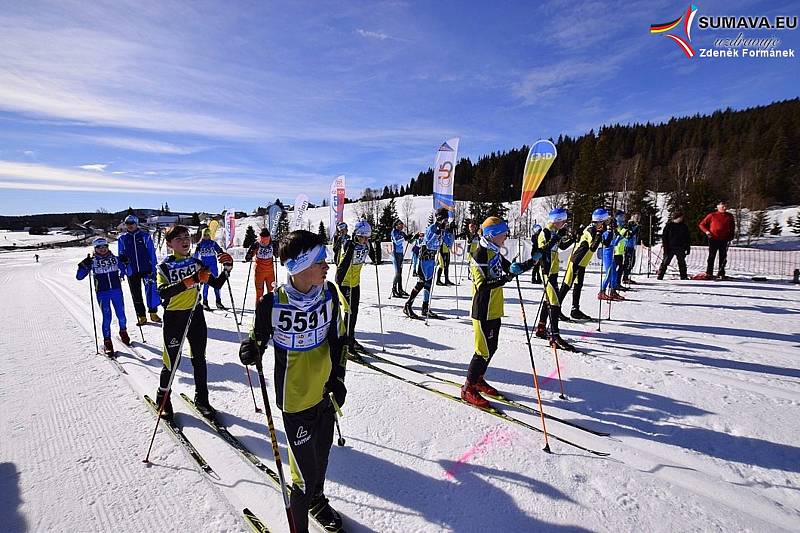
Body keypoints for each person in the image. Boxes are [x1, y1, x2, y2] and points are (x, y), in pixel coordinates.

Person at [239, 230, 347, 533]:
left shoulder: (329, 294)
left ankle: (318, 501)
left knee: (322, 459)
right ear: (299, 266)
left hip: (325, 395)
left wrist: (338, 378)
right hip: (295, 399)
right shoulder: (272, 303)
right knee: (303, 477)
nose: (327, 265)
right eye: (320, 260)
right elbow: (256, 340)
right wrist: (250, 350)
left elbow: (338, 341)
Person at [155, 225, 233, 420]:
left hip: (195, 314)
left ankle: (202, 400)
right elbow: (163, 292)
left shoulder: (197, 263)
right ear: (169, 243)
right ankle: (163, 398)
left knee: (199, 358)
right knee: (172, 362)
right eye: (179, 238)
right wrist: (190, 281)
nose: (184, 241)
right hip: (174, 317)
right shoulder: (164, 267)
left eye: (186, 237)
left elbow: (216, 283)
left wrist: (227, 269)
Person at [461, 217, 533, 408]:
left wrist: (532, 261)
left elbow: (511, 268)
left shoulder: (495, 252)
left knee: (492, 348)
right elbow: (482, 285)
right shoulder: (479, 255)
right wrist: (506, 278)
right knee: (482, 351)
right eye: (503, 233)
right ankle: (468, 388)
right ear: (492, 235)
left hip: (495, 309)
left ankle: (478, 379)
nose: (506, 236)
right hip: (482, 310)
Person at [76, 237, 130, 355]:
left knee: (121, 314)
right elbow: (79, 277)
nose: (102, 249)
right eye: (99, 247)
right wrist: (83, 265)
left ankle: (123, 331)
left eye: (104, 246)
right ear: (95, 249)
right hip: (102, 292)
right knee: (107, 317)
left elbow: (128, 271)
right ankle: (107, 340)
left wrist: (126, 263)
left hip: (116, 290)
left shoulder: (116, 259)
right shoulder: (92, 261)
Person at [533, 208, 576, 351]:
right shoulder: (545, 232)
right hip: (547, 271)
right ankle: (555, 335)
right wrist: (557, 237)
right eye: (563, 221)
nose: (565, 223)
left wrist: (572, 239)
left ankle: (541, 327)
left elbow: (561, 246)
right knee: (555, 303)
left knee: (549, 300)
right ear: (558, 220)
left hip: (554, 271)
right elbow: (543, 250)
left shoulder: (554, 232)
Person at [558, 208, 610, 320]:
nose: (607, 223)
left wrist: (609, 232)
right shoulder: (591, 229)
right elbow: (593, 246)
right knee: (566, 285)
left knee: (578, 285)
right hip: (575, 262)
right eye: (605, 221)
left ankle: (575, 310)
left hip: (582, 264)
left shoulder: (596, 229)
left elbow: (606, 243)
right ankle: (556, 309)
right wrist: (600, 233)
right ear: (600, 221)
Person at [403, 208, 453, 319]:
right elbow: (429, 244)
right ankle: (408, 305)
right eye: (445, 219)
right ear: (439, 218)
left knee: (428, 284)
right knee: (421, 283)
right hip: (424, 258)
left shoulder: (443, 230)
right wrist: (437, 232)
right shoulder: (432, 228)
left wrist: (450, 233)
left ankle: (425, 308)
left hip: (432, 259)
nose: (446, 222)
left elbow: (449, 245)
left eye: (447, 220)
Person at [336, 220, 373, 353]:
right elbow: (342, 265)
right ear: (357, 235)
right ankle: (346, 342)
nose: (365, 240)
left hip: (355, 283)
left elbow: (376, 259)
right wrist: (339, 282)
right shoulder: (349, 244)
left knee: (354, 312)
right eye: (363, 237)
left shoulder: (366, 245)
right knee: (349, 312)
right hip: (344, 283)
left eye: (367, 237)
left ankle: (350, 337)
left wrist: (373, 245)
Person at [117, 215, 161, 326]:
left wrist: (153, 267)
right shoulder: (122, 238)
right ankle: (141, 316)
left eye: (132, 223)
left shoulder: (145, 236)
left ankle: (153, 313)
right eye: (128, 224)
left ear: (136, 224)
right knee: (136, 294)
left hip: (146, 269)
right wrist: (123, 267)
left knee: (150, 291)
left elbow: (152, 253)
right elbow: (121, 254)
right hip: (132, 270)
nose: (130, 226)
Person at [698, 200, 735, 279]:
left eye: (725, 206)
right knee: (712, 256)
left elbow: (732, 227)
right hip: (713, 238)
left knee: (723, 256)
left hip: (724, 239)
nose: (724, 208)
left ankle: (721, 272)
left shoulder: (729, 216)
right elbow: (702, 224)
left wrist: (731, 235)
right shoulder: (712, 215)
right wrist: (707, 232)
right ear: (718, 207)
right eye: (722, 206)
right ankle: (709, 272)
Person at [194, 228, 226, 311]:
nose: (206, 237)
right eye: (204, 235)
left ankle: (218, 301)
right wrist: (196, 263)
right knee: (206, 285)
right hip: (205, 267)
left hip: (213, 267)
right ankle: (205, 302)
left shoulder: (213, 243)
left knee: (217, 285)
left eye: (208, 235)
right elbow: (195, 256)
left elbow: (219, 251)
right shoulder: (200, 244)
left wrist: (222, 253)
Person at [245, 228, 276, 302]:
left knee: (259, 293)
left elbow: (247, 257)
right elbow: (278, 255)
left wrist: (249, 255)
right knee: (272, 292)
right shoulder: (272, 244)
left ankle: (258, 310)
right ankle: (271, 309)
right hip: (269, 272)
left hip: (260, 272)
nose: (265, 242)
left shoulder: (257, 244)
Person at [658, 212, 690, 280]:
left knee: (682, 263)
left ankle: (683, 276)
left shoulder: (684, 226)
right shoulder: (669, 226)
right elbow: (664, 237)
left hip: (680, 247)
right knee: (665, 262)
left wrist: (687, 248)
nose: (681, 219)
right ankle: (660, 276)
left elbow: (687, 238)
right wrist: (665, 248)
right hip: (670, 247)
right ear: (676, 218)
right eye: (680, 217)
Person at [390, 219, 412, 297]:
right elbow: (397, 241)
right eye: (400, 224)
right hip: (395, 254)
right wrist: (405, 238)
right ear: (396, 225)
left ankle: (400, 289)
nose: (402, 226)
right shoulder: (394, 232)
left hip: (400, 254)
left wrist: (413, 237)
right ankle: (394, 290)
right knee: (397, 272)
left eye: (402, 224)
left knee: (400, 272)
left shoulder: (401, 233)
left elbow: (410, 241)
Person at [612, 211, 631, 292]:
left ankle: (618, 284)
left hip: (621, 251)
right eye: (622, 216)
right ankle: (615, 284)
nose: (623, 218)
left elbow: (625, 236)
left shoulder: (622, 225)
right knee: (616, 269)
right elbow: (617, 237)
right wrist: (624, 231)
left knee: (621, 268)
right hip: (616, 251)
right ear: (617, 217)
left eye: (624, 216)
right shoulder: (615, 226)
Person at [622, 213, 640, 284]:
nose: (638, 219)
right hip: (628, 246)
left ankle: (626, 276)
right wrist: (635, 229)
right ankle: (625, 277)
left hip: (632, 246)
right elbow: (628, 235)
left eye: (639, 218)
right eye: (636, 217)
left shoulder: (636, 225)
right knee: (628, 262)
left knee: (632, 263)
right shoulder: (629, 224)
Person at [436, 222, 455, 286]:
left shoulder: (449, 232)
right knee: (441, 265)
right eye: (446, 225)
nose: (447, 226)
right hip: (441, 250)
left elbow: (451, 240)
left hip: (447, 250)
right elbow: (441, 238)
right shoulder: (442, 232)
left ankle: (447, 280)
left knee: (447, 266)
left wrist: (452, 231)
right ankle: (438, 280)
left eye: (448, 225)